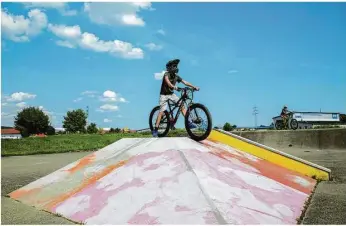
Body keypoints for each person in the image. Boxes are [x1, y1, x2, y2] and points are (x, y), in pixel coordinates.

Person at [152, 59, 199, 137]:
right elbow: (169, 83)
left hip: (171, 94)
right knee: (162, 111)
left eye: (176, 66)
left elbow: (185, 82)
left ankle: (189, 122)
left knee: (181, 105)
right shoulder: (166, 74)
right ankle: (155, 129)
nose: (176, 67)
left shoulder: (176, 76)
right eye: (174, 66)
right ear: (170, 68)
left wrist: (194, 87)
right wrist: (174, 87)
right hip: (163, 95)